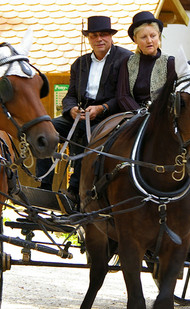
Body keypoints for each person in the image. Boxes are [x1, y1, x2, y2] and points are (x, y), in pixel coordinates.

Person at [36, 15, 132, 201]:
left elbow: (123, 95)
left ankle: (75, 191)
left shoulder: (125, 59)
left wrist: (102, 108)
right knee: (44, 132)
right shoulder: (79, 64)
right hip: (80, 114)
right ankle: (45, 187)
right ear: (88, 39)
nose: (99, 39)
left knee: (90, 141)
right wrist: (71, 109)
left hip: (109, 116)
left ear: (111, 37)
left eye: (104, 35)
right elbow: (70, 96)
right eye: (94, 36)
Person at [116, 11, 176, 111]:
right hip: (134, 116)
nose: (149, 41)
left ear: (159, 35)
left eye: (153, 36)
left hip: (163, 117)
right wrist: (141, 114)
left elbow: (174, 94)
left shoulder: (170, 62)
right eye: (143, 37)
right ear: (135, 40)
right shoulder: (128, 62)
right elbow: (123, 96)